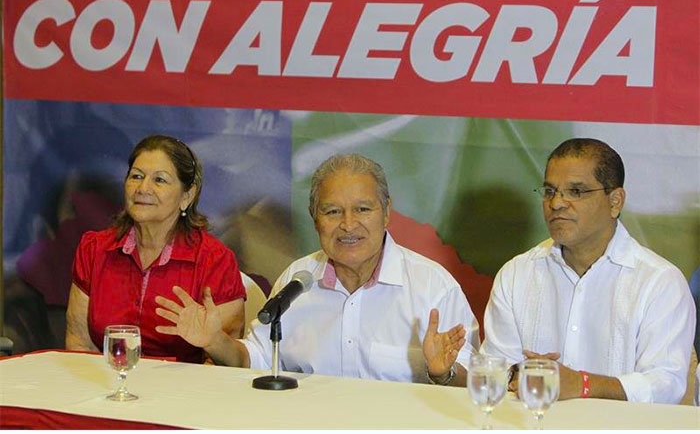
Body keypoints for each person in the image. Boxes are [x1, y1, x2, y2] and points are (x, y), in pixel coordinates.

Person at [155, 153, 479, 384]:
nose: (348, 225)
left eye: (362, 209)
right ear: (315, 219)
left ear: (386, 212)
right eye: (332, 211)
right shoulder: (298, 280)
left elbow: (474, 384)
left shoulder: (433, 286)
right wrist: (215, 341)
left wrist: (442, 373)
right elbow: (253, 360)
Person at [481, 138, 695, 404]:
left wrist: (582, 384)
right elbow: (494, 372)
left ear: (615, 201)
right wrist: (516, 374)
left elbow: (665, 385)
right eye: (549, 191)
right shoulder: (516, 274)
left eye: (576, 191)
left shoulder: (659, 282)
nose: (556, 203)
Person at [65, 135, 246, 363]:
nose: (143, 188)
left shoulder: (215, 260)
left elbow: (227, 363)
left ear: (187, 196)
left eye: (159, 180)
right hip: (110, 380)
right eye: (136, 176)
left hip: (186, 385)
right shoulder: (94, 249)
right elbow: (80, 343)